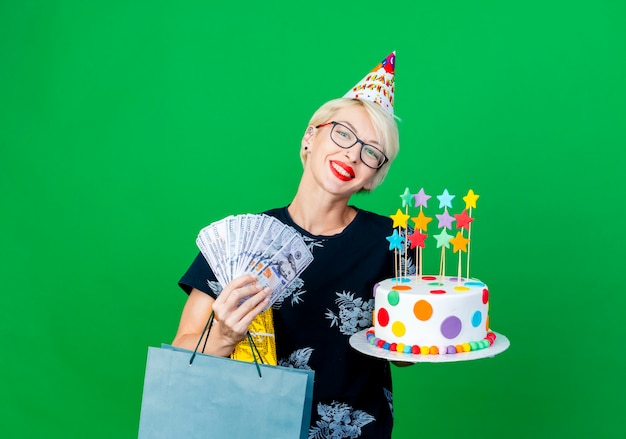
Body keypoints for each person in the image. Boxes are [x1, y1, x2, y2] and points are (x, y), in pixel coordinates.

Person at [173, 52, 402, 438]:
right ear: (311, 136)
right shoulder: (239, 240)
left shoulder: (394, 240)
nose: (352, 153)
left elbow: (406, 352)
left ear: (372, 177)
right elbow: (182, 355)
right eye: (344, 133)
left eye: (371, 152)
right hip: (251, 428)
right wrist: (226, 335)